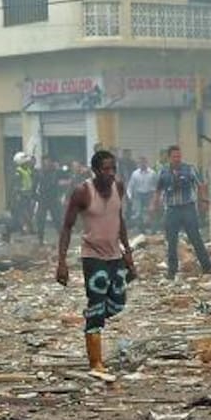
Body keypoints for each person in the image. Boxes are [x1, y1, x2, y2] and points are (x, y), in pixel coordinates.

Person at [55, 150, 136, 378]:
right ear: (95, 170)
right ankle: (96, 362)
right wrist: (62, 262)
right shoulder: (83, 192)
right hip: (93, 257)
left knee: (118, 302)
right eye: (105, 169)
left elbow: (120, 219)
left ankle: (93, 314)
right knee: (97, 305)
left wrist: (127, 251)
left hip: (115, 256)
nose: (110, 174)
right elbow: (67, 227)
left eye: (113, 169)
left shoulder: (118, 187)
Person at [151, 145, 211, 279]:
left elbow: (200, 185)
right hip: (172, 210)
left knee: (195, 238)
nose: (177, 159)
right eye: (174, 157)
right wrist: (154, 205)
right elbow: (158, 190)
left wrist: (203, 201)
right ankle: (172, 271)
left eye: (179, 156)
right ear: (169, 158)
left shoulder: (189, 169)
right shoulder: (163, 172)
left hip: (188, 209)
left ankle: (207, 267)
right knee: (171, 241)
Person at [34, 157, 64, 244]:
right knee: (40, 220)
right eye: (45, 163)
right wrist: (37, 198)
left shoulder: (55, 172)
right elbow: (34, 187)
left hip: (53, 199)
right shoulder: (39, 174)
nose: (47, 165)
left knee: (57, 219)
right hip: (43, 199)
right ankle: (40, 239)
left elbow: (65, 178)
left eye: (48, 162)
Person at [126, 156, 159, 233]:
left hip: (149, 194)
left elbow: (157, 186)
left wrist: (156, 197)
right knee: (138, 213)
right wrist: (130, 196)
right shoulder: (135, 174)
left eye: (144, 162)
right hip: (138, 195)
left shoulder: (152, 173)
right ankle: (141, 229)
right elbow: (130, 186)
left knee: (151, 212)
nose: (142, 164)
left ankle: (153, 229)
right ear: (139, 164)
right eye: (141, 163)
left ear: (147, 163)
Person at [12, 152, 36, 234]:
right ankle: (25, 229)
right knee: (24, 213)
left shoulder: (27, 169)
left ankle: (29, 229)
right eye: (26, 161)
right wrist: (18, 194)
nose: (28, 162)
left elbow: (32, 167)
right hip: (22, 194)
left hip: (28, 194)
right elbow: (16, 185)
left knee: (29, 212)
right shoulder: (18, 172)